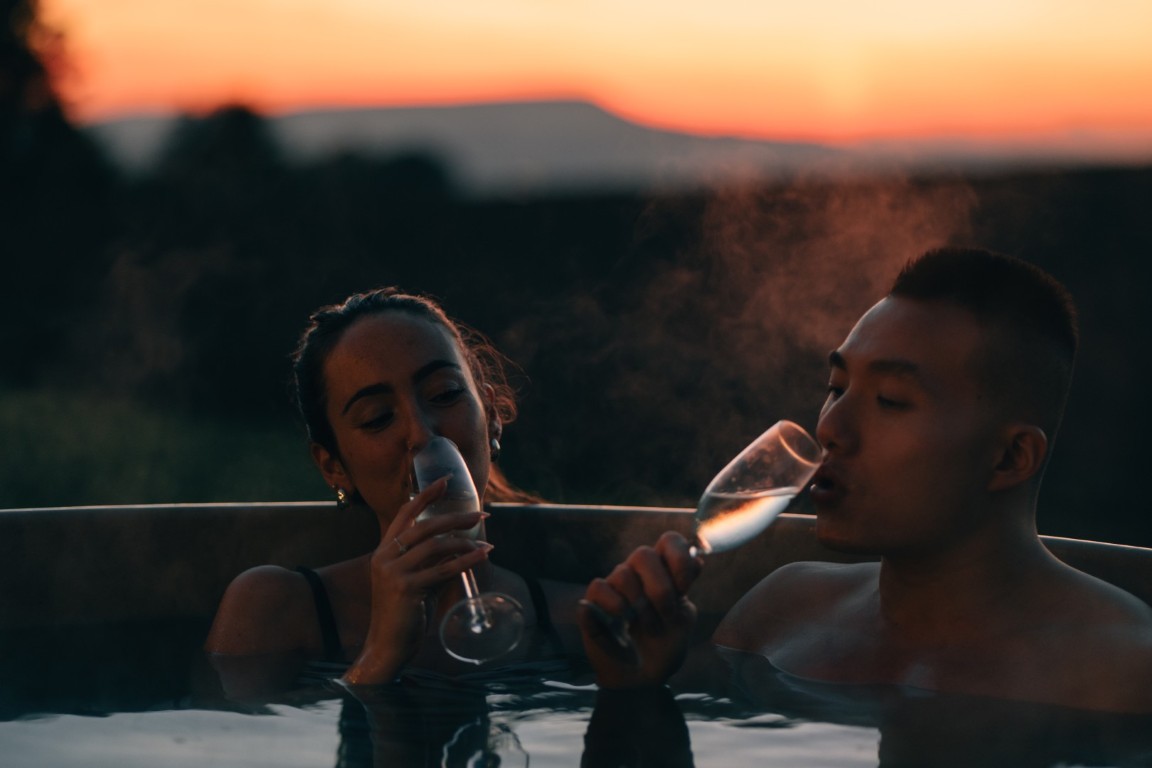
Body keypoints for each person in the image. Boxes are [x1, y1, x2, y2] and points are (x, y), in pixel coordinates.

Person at [579, 247, 1152, 713]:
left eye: (890, 400)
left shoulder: (1122, 674)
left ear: (1010, 458)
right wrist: (635, 696)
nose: (832, 427)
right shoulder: (781, 614)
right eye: (835, 387)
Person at [206, 287, 581, 698]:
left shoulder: (574, 620)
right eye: (378, 418)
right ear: (333, 466)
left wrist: (635, 682)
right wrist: (379, 656)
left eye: (445, 394)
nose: (421, 434)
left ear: (490, 417)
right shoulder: (274, 610)